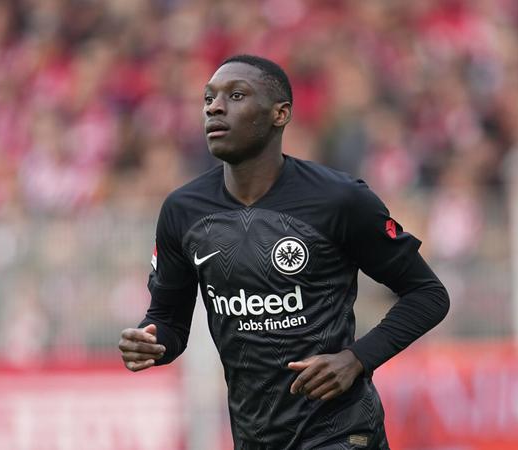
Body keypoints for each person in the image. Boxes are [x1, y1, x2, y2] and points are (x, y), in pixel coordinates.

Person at [119, 54, 450, 449]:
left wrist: (357, 358)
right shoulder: (184, 211)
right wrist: (151, 342)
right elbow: (168, 322)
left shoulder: (339, 200)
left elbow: (428, 294)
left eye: (236, 95)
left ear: (280, 114)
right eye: (209, 98)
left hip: (340, 432)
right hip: (256, 436)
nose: (214, 107)